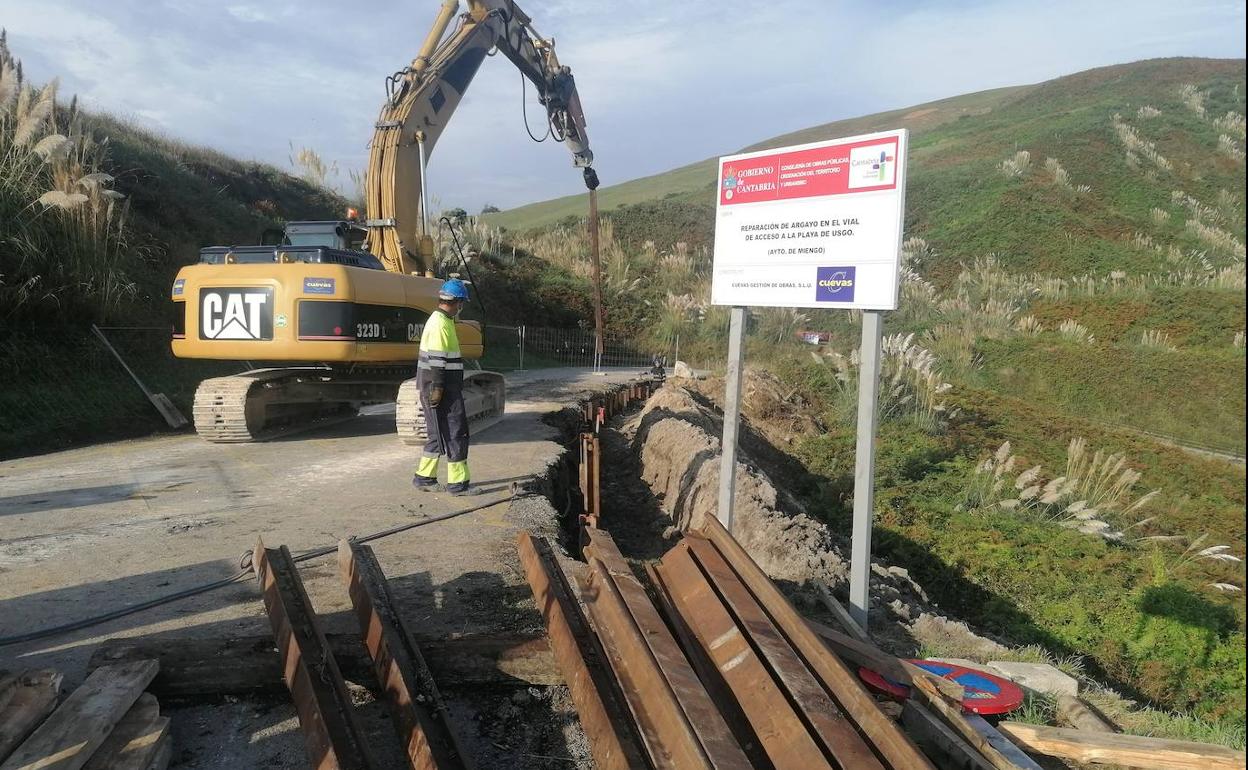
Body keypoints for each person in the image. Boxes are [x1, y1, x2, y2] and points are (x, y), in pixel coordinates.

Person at [412, 279, 478, 495]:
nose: (461, 307)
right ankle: (458, 485)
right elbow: (438, 361)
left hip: (437, 385)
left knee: (437, 432)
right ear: (457, 302)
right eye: (462, 303)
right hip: (441, 386)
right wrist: (439, 388)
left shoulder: (441, 320)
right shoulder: (441, 324)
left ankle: (424, 478)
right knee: (455, 432)